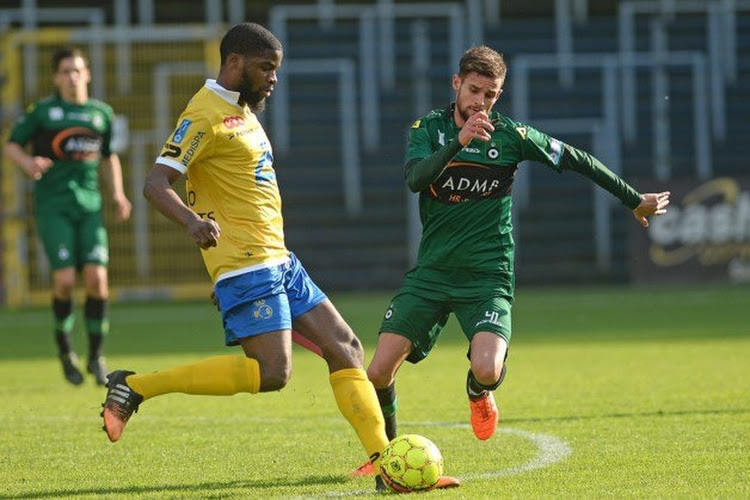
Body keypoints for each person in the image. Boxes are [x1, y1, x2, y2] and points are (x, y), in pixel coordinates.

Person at [99, 22, 456, 492]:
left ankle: (384, 465)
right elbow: (155, 183)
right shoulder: (203, 113)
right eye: (266, 67)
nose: (272, 78)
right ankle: (137, 385)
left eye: (276, 69)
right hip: (247, 264)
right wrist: (193, 225)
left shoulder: (243, 113)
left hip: (279, 259)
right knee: (272, 374)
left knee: (345, 346)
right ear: (234, 62)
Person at [350, 45, 670, 475]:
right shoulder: (427, 129)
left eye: (491, 94)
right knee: (377, 371)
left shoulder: (513, 137)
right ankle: (385, 458)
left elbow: (577, 158)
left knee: (486, 367)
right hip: (432, 273)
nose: (480, 102)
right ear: (456, 83)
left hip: (487, 274)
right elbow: (415, 179)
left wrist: (633, 199)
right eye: (475, 90)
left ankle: (479, 393)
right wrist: (458, 144)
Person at [4, 47, 132, 386]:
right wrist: (28, 163)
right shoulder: (44, 112)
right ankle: (64, 351)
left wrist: (117, 194)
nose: (72, 76)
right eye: (65, 71)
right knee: (63, 282)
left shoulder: (101, 114)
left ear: (87, 73)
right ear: (56, 77)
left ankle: (96, 356)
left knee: (97, 281)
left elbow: (108, 157)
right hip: (53, 207)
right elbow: (12, 144)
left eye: (77, 70)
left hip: (89, 209)